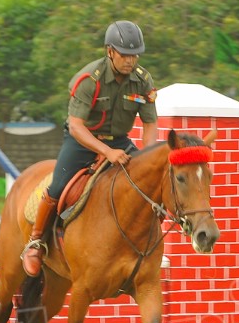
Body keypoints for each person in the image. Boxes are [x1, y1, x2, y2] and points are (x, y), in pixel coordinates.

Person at [21, 20, 159, 276]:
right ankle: (36, 241)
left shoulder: (143, 81)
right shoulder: (89, 79)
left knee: (147, 183)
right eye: (125, 54)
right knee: (58, 186)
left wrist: (147, 156)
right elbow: (76, 126)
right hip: (83, 141)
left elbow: (150, 123)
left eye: (135, 54)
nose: (131, 60)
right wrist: (106, 152)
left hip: (119, 141)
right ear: (110, 51)